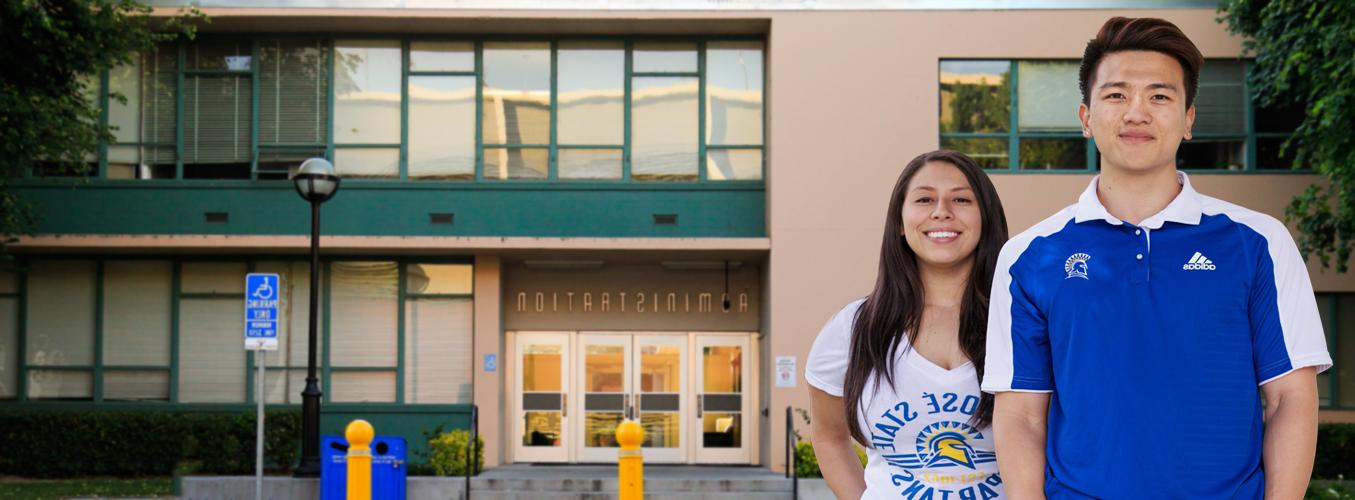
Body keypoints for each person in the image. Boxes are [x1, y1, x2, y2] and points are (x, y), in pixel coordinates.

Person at [982, 17, 1332, 499]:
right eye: (1116, 95)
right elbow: (1021, 413)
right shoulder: (1028, 256)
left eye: (1160, 96)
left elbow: (1290, 397)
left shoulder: (1259, 243)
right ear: (1086, 117)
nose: (1137, 113)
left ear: (1189, 119)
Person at [806, 150, 1009, 499]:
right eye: (924, 199)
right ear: (900, 222)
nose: (941, 211)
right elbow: (829, 436)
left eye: (961, 199)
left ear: (985, 218)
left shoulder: (1024, 321)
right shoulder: (854, 329)